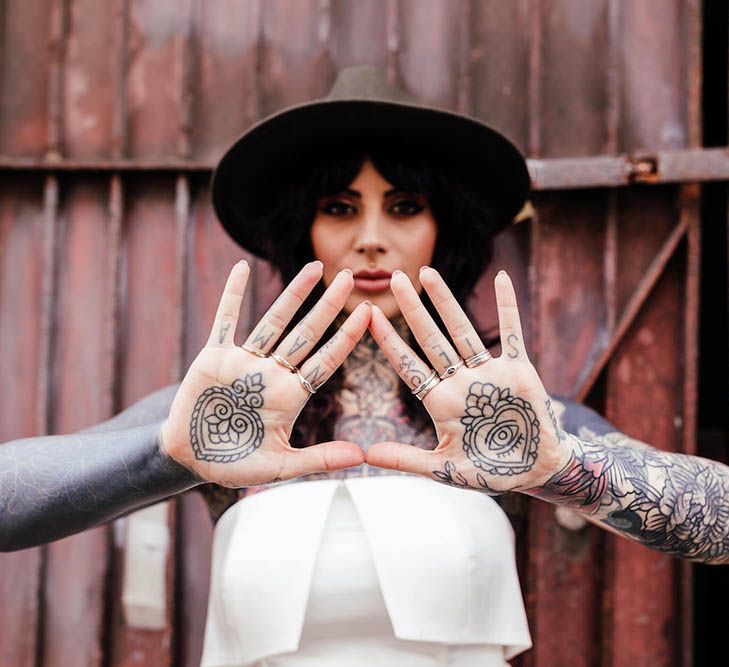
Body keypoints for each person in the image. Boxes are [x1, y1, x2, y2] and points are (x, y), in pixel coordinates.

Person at [1, 66, 728, 665]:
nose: (372, 239)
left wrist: (563, 465)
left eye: (404, 205)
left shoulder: (509, 420)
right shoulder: (227, 413)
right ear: (302, 230)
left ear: (445, 229)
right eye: (341, 206)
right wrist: (162, 455)